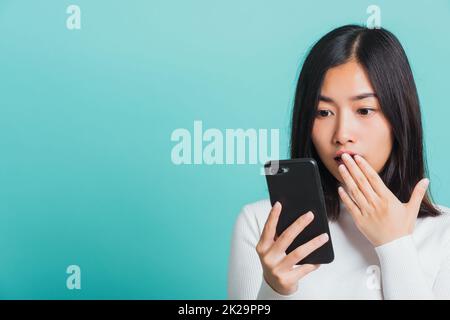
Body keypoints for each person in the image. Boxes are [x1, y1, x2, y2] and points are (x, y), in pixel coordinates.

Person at [227, 25, 450, 300]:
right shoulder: (262, 224)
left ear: (399, 118)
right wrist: (274, 290)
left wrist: (395, 246)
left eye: (365, 110)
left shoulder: (444, 233)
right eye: (323, 112)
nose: (342, 133)